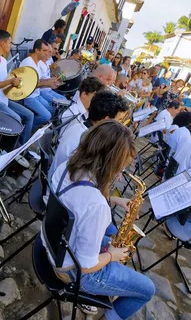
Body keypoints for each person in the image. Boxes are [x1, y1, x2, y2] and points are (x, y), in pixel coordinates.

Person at [47, 120, 155, 320]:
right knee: (148, 289)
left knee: (111, 240)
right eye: (119, 168)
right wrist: (111, 256)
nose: (120, 175)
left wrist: (112, 199)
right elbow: (86, 266)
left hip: (53, 246)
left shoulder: (67, 166)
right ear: (108, 163)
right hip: (73, 270)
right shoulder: (96, 205)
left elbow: (79, 203)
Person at [50, 90, 130, 176]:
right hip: (60, 185)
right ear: (107, 120)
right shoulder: (86, 141)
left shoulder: (78, 127)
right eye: (119, 121)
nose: (121, 125)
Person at [0, 29, 35, 145]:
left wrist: (15, 85)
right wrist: (10, 82)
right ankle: (12, 149)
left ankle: (21, 148)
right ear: (2, 43)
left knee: (29, 115)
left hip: (4, 100)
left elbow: (4, 84)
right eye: (10, 43)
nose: (11, 46)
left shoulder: (3, 60)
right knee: (16, 119)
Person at [19, 39, 61, 129]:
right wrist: (46, 83)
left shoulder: (37, 62)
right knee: (46, 116)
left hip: (36, 95)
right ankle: (25, 128)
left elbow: (39, 81)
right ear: (37, 50)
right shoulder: (28, 63)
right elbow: (28, 86)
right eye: (44, 51)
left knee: (53, 109)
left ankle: (31, 127)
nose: (47, 53)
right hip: (28, 97)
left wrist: (50, 83)